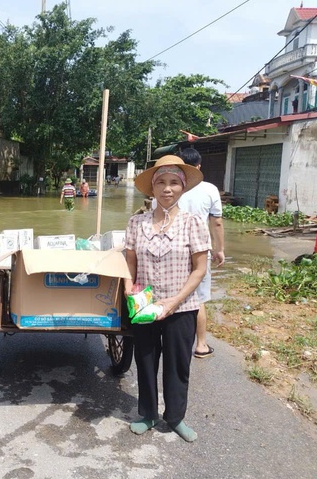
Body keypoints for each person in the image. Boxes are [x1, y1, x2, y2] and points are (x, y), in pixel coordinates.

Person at [124, 155, 210, 442]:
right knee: (145, 360)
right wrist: (128, 287)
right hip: (145, 305)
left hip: (182, 306)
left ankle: (175, 417)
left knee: (178, 364)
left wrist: (174, 301)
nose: (167, 189)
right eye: (161, 182)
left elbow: (199, 269)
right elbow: (130, 262)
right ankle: (147, 413)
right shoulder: (137, 223)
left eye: (174, 182)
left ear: (182, 188)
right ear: (152, 188)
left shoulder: (193, 223)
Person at [178, 148, 225, 359]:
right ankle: (201, 345)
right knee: (198, 299)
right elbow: (216, 222)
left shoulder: (170, 187)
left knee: (172, 294)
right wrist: (219, 249)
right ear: (199, 167)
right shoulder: (210, 189)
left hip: (172, 250)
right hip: (199, 250)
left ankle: (171, 341)